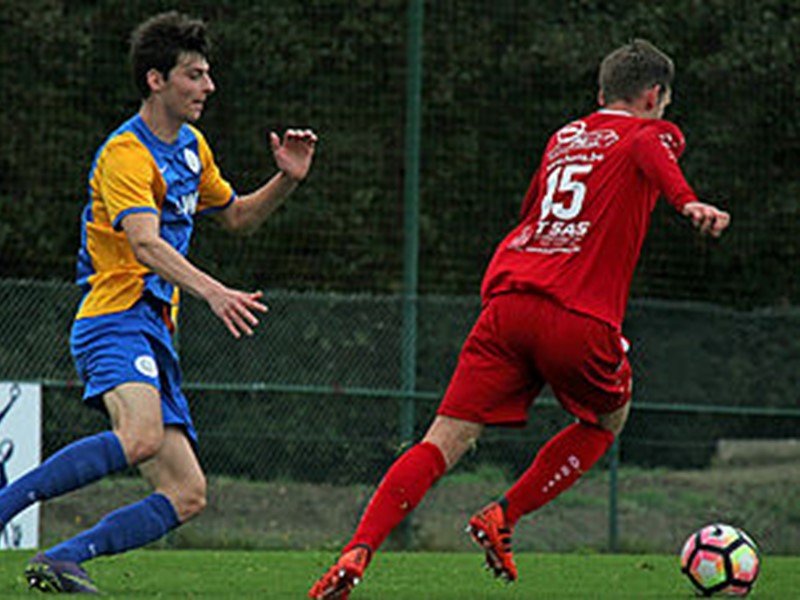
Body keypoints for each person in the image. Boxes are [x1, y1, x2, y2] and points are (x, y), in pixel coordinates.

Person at [309, 39, 730, 599]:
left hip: (508, 302)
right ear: (654, 96)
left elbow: (534, 213)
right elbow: (656, 153)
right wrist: (687, 201)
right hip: (576, 315)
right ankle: (503, 515)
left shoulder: (563, 138)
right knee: (607, 420)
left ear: (600, 93)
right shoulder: (651, 133)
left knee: (443, 439)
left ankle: (358, 549)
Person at [0, 11, 317, 594]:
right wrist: (213, 291)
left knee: (187, 492)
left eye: (207, 74)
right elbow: (144, 242)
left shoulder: (192, 148)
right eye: (194, 75)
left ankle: (63, 559)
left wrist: (287, 180)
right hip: (113, 316)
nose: (208, 86)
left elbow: (237, 216)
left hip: (154, 327)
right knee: (141, 436)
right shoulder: (126, 154)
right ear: (156, 80)